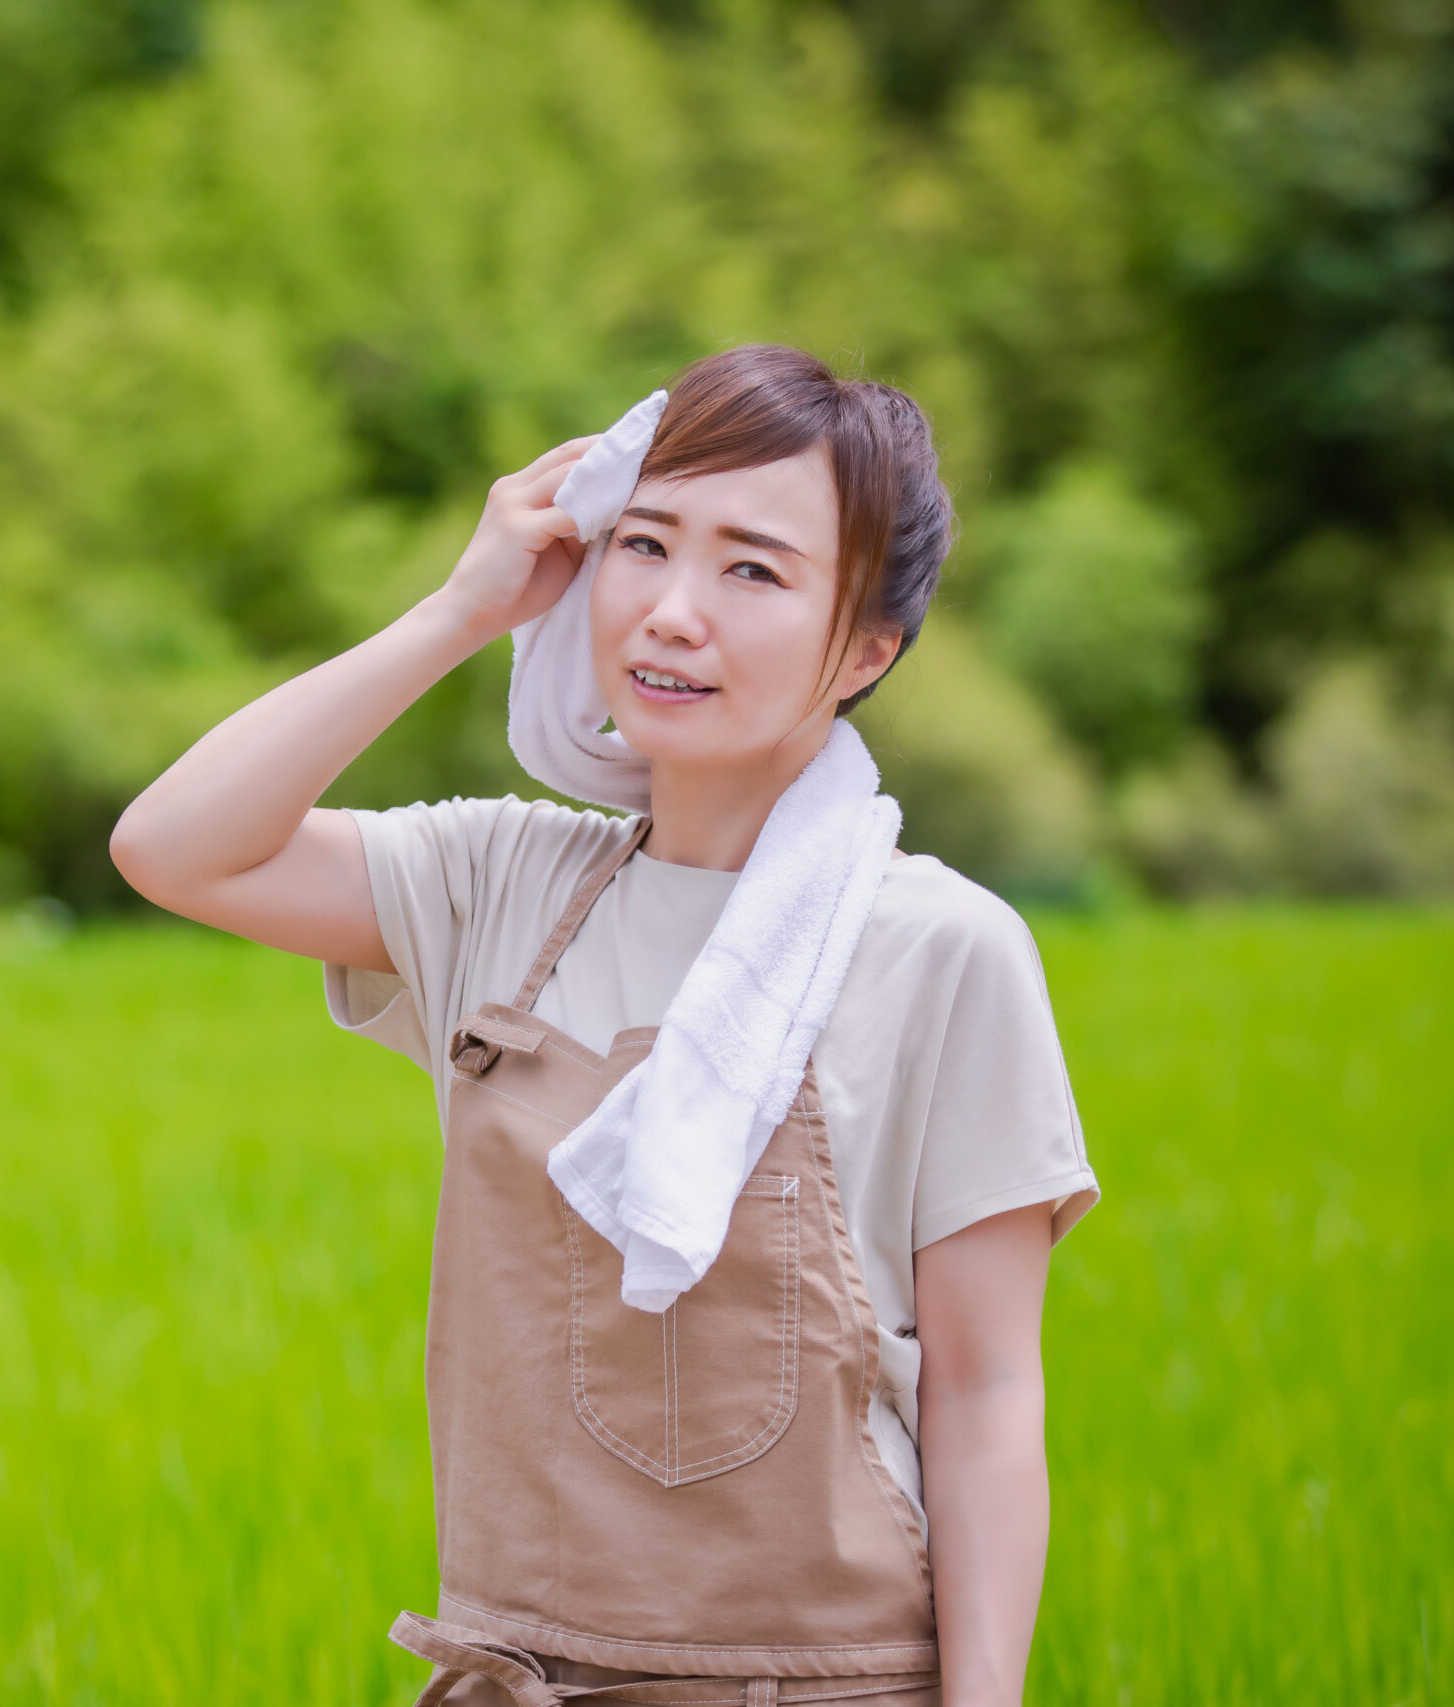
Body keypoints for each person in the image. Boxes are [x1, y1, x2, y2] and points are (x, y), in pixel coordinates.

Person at [111, 344, 1098, 1707]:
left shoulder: (942, 949)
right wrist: (460, 612)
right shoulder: (504, 888)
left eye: (752, 569)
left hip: (822, 1686)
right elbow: (174, 848)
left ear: (868, 646)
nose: (672, 612)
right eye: (644, 544)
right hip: (517, 1672)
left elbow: (987, 1394)